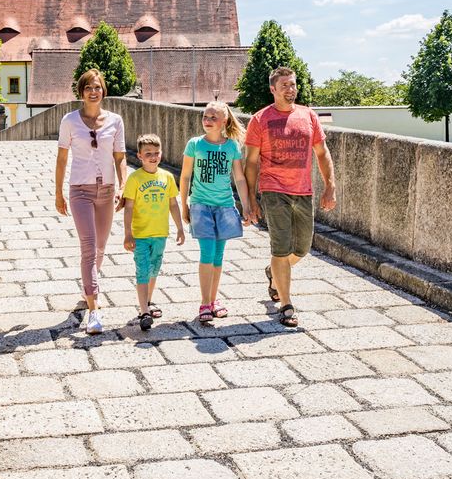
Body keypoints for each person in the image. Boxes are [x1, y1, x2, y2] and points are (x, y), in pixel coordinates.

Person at [244, 67, 337, 328]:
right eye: (284, 85)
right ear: (272, 89)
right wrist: (251, 198)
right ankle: (286, 305)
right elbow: (251, 162)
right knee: (281, 247)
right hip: (273, 190)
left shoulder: (308, 115)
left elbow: (322, 152)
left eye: (293, 84)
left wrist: (330, 185)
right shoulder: (260, 120)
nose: (290, 89)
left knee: (303, 248)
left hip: (303, 190)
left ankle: (273, 272)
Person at [55, 69, 127, 335]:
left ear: (103, 90)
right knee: (89, 247)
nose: (93, 92)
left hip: (107, 191)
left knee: (101, 248)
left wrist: (123, 185)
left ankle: (88, 285)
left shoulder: (115, 121)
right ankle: (94, 310)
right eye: (88, 88)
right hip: (80, 191)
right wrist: (58, 192)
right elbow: (62, 158)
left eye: (97, 87)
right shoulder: (70, 121)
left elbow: (120, 157)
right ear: (81, 92)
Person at [180, 102, 252, 323]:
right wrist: (184, 204)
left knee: (219, 256)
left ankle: (213, 300)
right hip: (201, 206)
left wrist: (246, 205)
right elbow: (185, 176)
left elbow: (239, 178)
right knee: (207, 253)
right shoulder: (195, 144)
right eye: (205, 116)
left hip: (224, 206)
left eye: (213, 117)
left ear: (224, 122)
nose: (207, 120)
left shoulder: (231, 147)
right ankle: (204, 303)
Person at [122, 134, 185, 331]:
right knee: (142, 270)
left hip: (160, 234)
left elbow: (173, 204)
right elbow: (129, 208)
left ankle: (148, 301)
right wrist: (127, 233)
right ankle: (144, 312)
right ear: (139, 156)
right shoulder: (135, 178)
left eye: (156, 153)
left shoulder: (166, 177)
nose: (153, 157)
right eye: (148, 153)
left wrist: (180, 228)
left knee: (154, 268)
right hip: (140, 235)